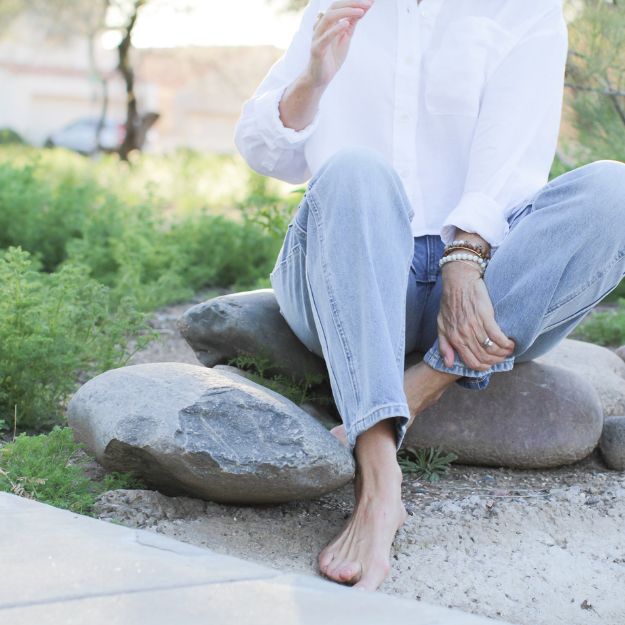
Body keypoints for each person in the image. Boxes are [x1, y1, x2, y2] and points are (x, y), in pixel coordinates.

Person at [233, 0, 625, 591]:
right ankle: (378, 476)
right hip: (349, 270)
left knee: (613, 190)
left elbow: (513, 160)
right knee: (356, 169)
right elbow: (266, 151)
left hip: (486, 279)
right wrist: (314, 79)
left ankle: (420, 387)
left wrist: (466, 261)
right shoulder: (338, 6)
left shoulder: (525, 10)